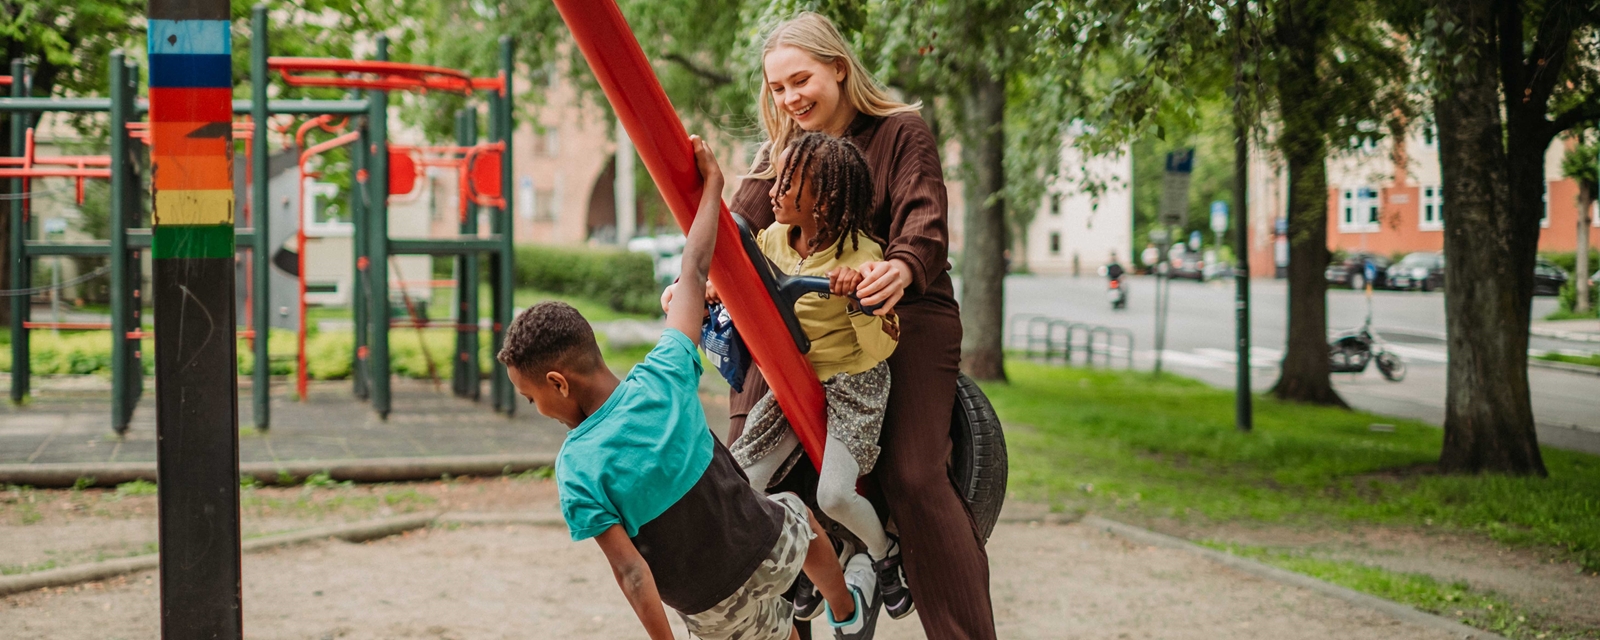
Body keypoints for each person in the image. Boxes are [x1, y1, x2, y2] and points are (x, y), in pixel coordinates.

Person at [500, 136, 877, 640]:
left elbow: (632, 572)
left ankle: (806, 622)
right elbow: (695, 268)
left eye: (532, 397)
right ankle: (845, 607)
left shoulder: (576, 469)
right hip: (764, 542)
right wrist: (713, 186)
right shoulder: (664, 373)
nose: (536, 408)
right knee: (804, 524)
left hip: (713, 607)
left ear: (558, 383)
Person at [728, 11, 998, 639]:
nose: (791, 98)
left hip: (900, 313)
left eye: (802, 80)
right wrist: (691, 277)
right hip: (805, 321)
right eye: (778, 88)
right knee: (744, 455)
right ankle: (795, 600)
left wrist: (900, 269)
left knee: (912, 472)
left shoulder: (901, 132)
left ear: (839, 69)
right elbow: (733, 231)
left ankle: (932, 595)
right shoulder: (780, 153)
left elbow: (924, 220)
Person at [706, 131, 911, 620]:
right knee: (744, 482)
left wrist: (859, 298)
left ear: (824, 201)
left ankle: (883, 554)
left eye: (789, 184)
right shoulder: (773, 239)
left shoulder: (863, 258)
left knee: (836, 494)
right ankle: (812, 562)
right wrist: (719, 288)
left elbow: (883, 345)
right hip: (794, 377)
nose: (774, 192)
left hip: (852, 383)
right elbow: (747, 283)